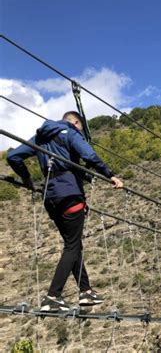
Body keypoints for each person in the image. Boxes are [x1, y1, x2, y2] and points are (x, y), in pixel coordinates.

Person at [7, 111, 123, 312]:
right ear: (76, 122)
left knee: (73, 243)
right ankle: (53, 296)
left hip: (50, 199)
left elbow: (13, 156)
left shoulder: (40, 137)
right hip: (70, 196)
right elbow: (89, 155)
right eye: (81, 128)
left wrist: (26, 179)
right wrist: (110, 175)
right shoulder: (69, 132)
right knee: (72, 246)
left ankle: (85, 291)